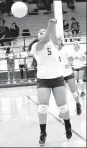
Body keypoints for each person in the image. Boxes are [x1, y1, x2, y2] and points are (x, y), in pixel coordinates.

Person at [28, 18, 72, 146]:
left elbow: (52, 37)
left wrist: (53, 26)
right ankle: (43, 132)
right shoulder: (37, 46)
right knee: (42, 107)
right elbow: (46, 37)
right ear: (37, 37)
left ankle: (68, 126)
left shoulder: (54, 44)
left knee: (63, 107)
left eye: (44, 31)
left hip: (57, 78)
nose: (43, 32)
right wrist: (50, 25)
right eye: (40, 32)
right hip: (43, 80)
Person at [58, 38, 82, 115]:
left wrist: (68, 64)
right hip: (59, 74)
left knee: (74, 92)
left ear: (61, 41)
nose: (57, 41)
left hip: (68, 73)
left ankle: (78, 104)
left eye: (58, 40)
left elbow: (71, 60)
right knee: (62, 93)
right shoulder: (54, 50)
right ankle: (64, 111)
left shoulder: (65, 49)